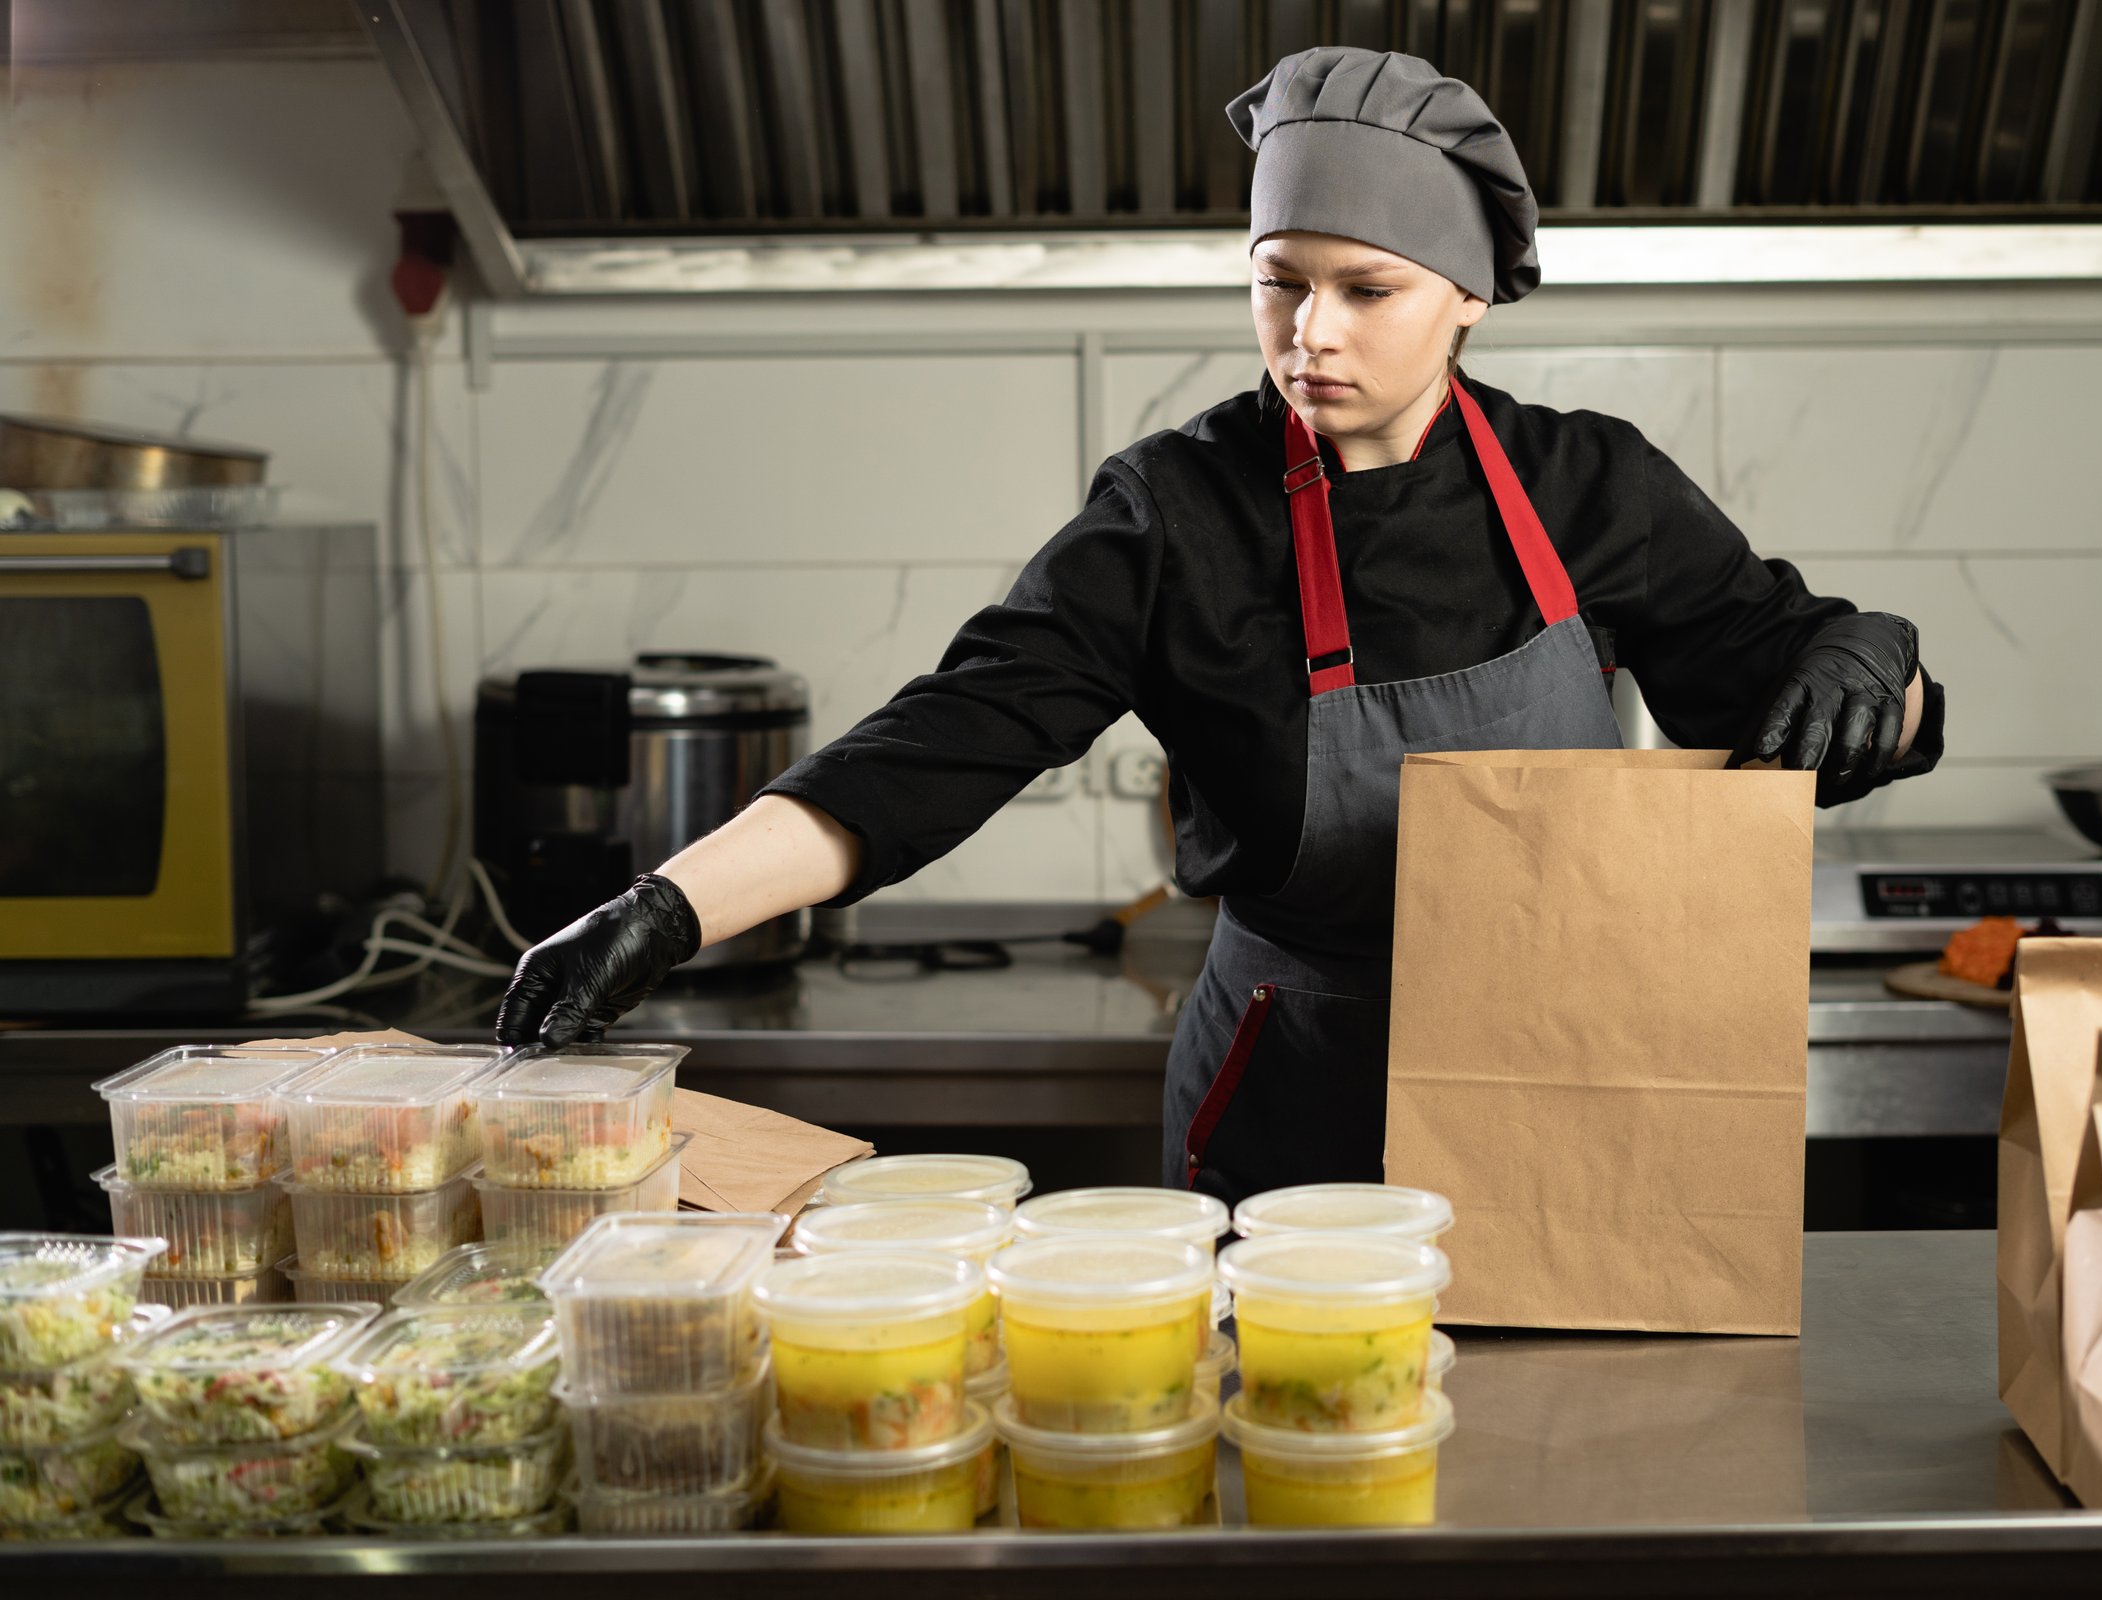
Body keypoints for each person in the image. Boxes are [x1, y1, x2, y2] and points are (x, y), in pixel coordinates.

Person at [494, 47, 1945, 1206]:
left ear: (1469, 298)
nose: (1312, 331)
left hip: (1552, 1075)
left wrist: (1881, 665)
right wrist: (665, 907)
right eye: (1278, 280)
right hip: (1292, 1088)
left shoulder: (1590, 485)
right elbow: (949, 741)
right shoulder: (1175, 513)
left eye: (1365, 289)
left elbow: (1803, 702)